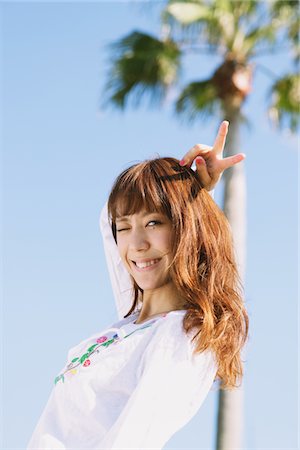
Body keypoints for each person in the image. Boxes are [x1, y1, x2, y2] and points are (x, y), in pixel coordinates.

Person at [26, 121, 249, 450]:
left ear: (187, 229)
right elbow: (109, 217)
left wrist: (193, 196)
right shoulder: (132, 322)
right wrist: (191, 182)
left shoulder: (179, 334)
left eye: (154, 222)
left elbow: (134, 438)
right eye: (126, 228)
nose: (137, 244)